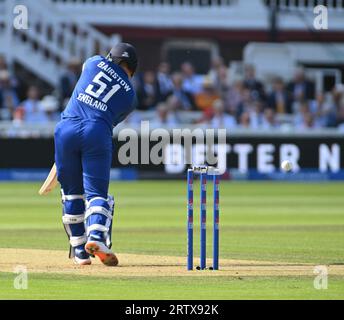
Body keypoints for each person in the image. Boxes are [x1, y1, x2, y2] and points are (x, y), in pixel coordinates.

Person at [54, 43, 138, 266]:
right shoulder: (130, 96)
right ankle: (97, 237)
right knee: (96, 194)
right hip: (97, 131)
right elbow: (110, 118)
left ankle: (80, 252)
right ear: (132, 68)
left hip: (66, 129)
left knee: (71, 194)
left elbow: (85, 83)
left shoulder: (92, 62)